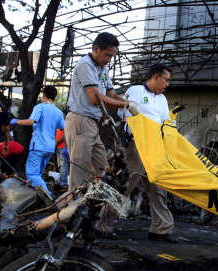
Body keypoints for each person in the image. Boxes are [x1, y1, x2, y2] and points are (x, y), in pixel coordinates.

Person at [98, 63, 177, 242]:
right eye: (166, 80)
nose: (167, 84)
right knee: (125, 186)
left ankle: (160, 229)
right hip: (135, 145)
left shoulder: (162, 99)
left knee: (158, 189)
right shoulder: (135, 91)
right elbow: (123, 112)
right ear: (155, 77)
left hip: (156, 147)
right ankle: (104, 225)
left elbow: (166, 122)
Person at [65, 32, 141, 193]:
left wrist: (130, 103)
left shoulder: (103, 69)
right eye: (107, 55)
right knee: (80, 171)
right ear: (96, 48)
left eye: (112, 56)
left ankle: (95, 201)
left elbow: (111, 95)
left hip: (93, 123)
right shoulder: (85, 64)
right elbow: (95, 98)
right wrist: (127, 106)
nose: (109, 59)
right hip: (80, 120)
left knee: (102, 166)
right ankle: (72, 210)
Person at [11, 86, 64, 190]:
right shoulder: (58, 112)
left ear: (43, 95)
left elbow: (31, 121)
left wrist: (16, 121)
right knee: (38, 174)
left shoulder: (40, 107)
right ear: (54, 97)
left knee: (32, 174)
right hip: (50, 148)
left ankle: (47, 196)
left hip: (38, 146)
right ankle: (37, 197)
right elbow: (64, 128)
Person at [54, 111, 68, 191]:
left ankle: (63, 183)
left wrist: (56, 142)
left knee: (63, 165)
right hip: (58, 147)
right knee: (60, 165)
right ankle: (61, 181)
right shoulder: (60, 123)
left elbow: (65, 135)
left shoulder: (66, 124)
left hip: (63, 146)